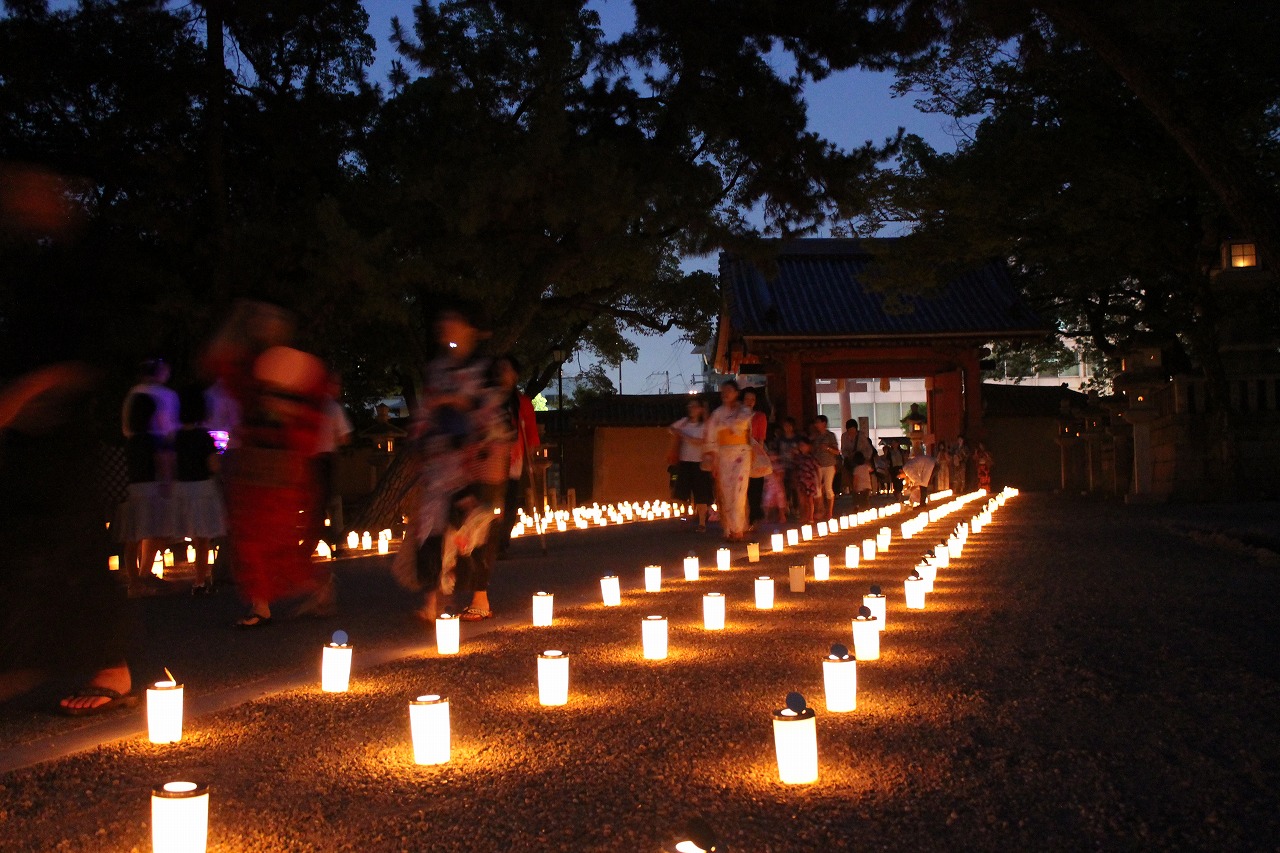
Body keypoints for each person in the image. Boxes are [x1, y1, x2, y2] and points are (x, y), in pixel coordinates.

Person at [0, 364, 138, 716]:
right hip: (27, 442)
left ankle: (105, 663)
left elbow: (92, 362)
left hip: (55, 443)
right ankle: (23, 658)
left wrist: (32, 387)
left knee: (64, 550)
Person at [202, 300, 333, 628]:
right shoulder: (248, 364)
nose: (266, 326)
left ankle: (316, 586)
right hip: (250, 464)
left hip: (283, 463)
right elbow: (215, 362)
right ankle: (260, 604)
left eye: (273, 320)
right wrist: (236, 318)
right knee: (246, 536)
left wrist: (290, 415)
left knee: (279, 540)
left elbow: (315, 415)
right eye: (260, 321)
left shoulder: (301, 366)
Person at [407, 306, 503, 623]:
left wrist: (458, 405)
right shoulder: (437, 368)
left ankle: (480, 597)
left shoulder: (483, 369)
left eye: (453, 320)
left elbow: (488, 411)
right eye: (443, 321)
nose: (446, 327)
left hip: (473, 456)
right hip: (439, 457)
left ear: (470, 328)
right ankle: (431, 600)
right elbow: (426, 410)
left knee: (472, 532)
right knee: (431, 528)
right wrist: (419, 444)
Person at [115, 392, 172, 596]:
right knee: (159, 532)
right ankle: (144, 575)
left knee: (133, 538)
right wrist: (167, 485)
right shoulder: (155, 440)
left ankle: (135, 582)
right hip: (152, 489)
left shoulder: (130, 442)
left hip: (134, 491)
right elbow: (163, 466)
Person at [171, 386, 225, 594]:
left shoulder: (174, 438)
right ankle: (200, 582)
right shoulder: (203, 437)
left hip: (181, 489)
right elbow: (213, 466)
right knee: (203, 539)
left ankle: (143, 577)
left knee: (192, 536)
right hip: (202, 489)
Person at [494, 355, 541, 558]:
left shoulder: (521, 403)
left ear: (514, 375)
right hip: (490, 459)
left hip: (513, 459)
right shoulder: (490, 400)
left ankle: (501, 542)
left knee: (509, 502)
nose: (502, 373)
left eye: (507, 369)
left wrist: (530, 450)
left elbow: (530, 432)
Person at [702, 380, 754, 541]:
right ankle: (729, 528)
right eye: (723, 391)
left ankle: (738, 529)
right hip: (723, 453)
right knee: (726, 492)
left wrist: (729, 421)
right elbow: (711, 435)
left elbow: (741, 426)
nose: (725, 394)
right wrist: (712, 457)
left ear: (736, 393)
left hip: (741, 452)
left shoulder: (743, 410)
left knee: (738, 491)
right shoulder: (717, 413)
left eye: (729, 390)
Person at [669, 396, 712, 532]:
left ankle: (701, 523)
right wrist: (680, 431)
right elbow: (671, 429)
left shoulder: (704, 425)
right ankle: (685, 517)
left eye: (694, 407)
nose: (691, 409)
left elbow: (700, 441)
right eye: (689, 407)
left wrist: (683, 435)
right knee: (682, 493)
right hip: (685, 462)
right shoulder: (684, 423)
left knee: (701, 495)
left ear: (700, 409)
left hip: (699, 463)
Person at [741, 388, 768, 530]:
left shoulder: (760, 416)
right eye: (747, 399)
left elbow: (761, 438)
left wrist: (758, 455)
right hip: (739, 453)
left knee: (755, 489)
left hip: (754, 452)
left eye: (752, 399)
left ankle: (753, 518)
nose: (750, 402)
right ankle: (743, 519)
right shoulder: (737, 416)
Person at [809, 415, 840, 520]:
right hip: (817, 464)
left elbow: (837, 451)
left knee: (828, 488)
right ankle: (820, 510)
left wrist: (827, 448)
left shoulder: (830, 436)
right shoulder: (814, 436)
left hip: (829, 464)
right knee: (817, 489)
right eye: (815, 423)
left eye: (818, 422)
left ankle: (829, 512)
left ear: (824, 423)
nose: (816, 425)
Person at [791, 435, 821, 524]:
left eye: (804, 445)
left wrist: (819, 481)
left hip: (809, 481)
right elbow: (795, 468)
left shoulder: (811, 458)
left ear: (809, 446)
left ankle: (811, 516)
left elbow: (817, 469)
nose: (802, 447)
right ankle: (804, 515)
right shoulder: (798, 457)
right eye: (800, 445)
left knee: (810, 500)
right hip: (801, 481)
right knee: (802, 500)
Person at [774, 417, 801, 517]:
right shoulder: (780, 439)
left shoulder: (797, 438)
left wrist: (796, 452)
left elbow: (802, 449)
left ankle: (796, 507)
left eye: (789, 425)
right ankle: (787, 507)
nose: (787, 428)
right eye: (785, 426)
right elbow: (776, 451)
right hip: (783, 466)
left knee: (795, 487)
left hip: (795, 465)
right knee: (784, 488)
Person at [841, 419, 874, 495]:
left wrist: (865, 458)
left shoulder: (861, 436)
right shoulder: (844, 436)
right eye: (850, 431)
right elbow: (843, 449)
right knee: (852, 477)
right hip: (850, 461)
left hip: (860, 460)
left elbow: (868, 448)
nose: (852, 433)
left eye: (853, 430)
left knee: (861, 477)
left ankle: (863, 491)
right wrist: (848, 455)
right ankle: (853, 490)